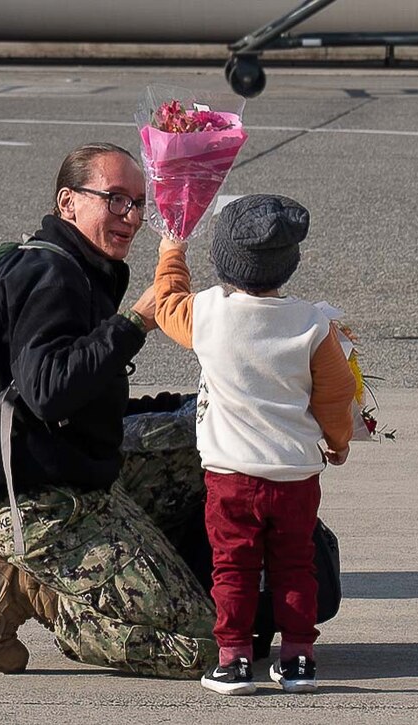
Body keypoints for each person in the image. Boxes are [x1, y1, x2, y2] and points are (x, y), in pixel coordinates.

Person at [0, 142, 218, 678]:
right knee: (209, 647)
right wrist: (134, 324)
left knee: (210, 444)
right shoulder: (51, 277)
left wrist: (197, 407)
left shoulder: (80, 266)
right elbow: (50, 390)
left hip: (76, 473)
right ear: (67, 201)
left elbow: (90, 401)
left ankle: (152, 575)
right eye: (115, 199)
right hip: (37, 504)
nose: (132, 217)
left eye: (139, 203)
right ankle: (34, 593)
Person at [152, 194, 356, 695]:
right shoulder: (312, 324)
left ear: (223, 260)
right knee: (294, 565)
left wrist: (171, 249)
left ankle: (234, 658)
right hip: (295, 474)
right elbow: (336, 393)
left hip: (230, 475)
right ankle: (299, 657)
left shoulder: (207, 314)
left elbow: (165, 302)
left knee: (233, 567)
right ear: (288, 265)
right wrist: (337, 440)